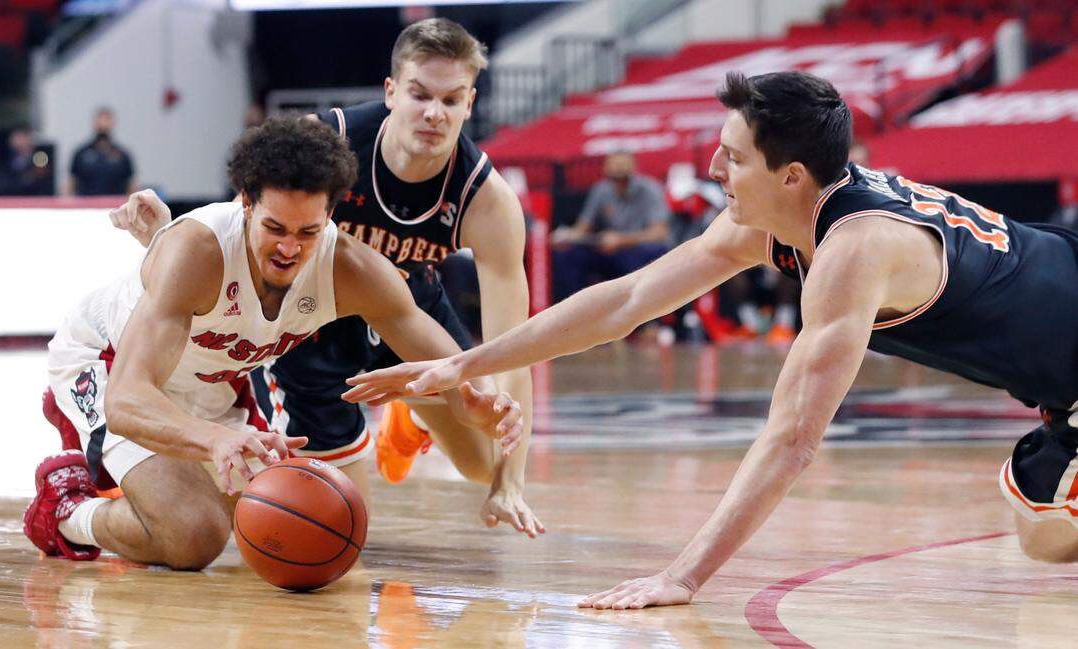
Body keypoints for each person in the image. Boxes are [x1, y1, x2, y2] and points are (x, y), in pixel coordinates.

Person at [344, 70, 1078, 608]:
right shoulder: (773, 221)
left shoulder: (855, 251)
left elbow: (791, 440)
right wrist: (464, 361)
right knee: (1042, 531)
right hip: (1057, 370)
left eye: (731, 156)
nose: (711, 167)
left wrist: (683, 574)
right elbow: (624, 303)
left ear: (790, 176)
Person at [24, 116, 521, 569]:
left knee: (307, 518)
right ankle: (66, 509)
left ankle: (136, 484)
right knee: (194, 537)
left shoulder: (351, 268)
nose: (288, 248)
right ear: (246, 202)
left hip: (213, 381)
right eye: (275, 228)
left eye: (308, 231)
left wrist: (471, 399)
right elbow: (129, 399)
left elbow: (444, 358)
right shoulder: (198, 251)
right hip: (109, 364)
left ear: (331, 215)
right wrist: (217, 439)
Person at [114, 18, 542, 537]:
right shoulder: (325, 142)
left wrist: (511, 483)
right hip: (313, 317)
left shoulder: (488, 201)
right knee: (333, 526)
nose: (433, 113)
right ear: (391, 92)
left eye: (451, 100)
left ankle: (408, 415)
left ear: (470, 104)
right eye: (419, 94)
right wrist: (167, 240)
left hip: (409, 308)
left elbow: (514, 349)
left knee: (484, 460)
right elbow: (244, 232)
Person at [550, 153, 671, 302]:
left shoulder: (649, 189)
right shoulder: (601, 190)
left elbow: (659, 233)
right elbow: (582, 228)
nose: (618, 169)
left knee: (645, 254)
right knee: (568, 256)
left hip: (637, 248)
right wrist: (566, 237)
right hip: (609, 249)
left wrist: (622, 240)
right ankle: (576, 308)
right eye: (614, 165)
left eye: (622, 164)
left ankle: (648, 321)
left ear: (633, 167)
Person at [68, 107, 136, 197]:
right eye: (100, 120)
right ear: (94, 123)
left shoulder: (122, 155)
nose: (103, 124)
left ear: (112, 123)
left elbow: (131, 185)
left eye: (107, 120)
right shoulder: (81, 154)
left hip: (116, 205)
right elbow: (72, 183)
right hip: (86, 205)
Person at [0, 126, 54, 196]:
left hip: (35, 201)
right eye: (20, 137)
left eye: (26, 137)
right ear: (12, 141)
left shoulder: (40, 160)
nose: (24, 141)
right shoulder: (3, 164)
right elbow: (1, 187)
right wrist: (29, 177)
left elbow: (48, 188)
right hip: (11, 201)